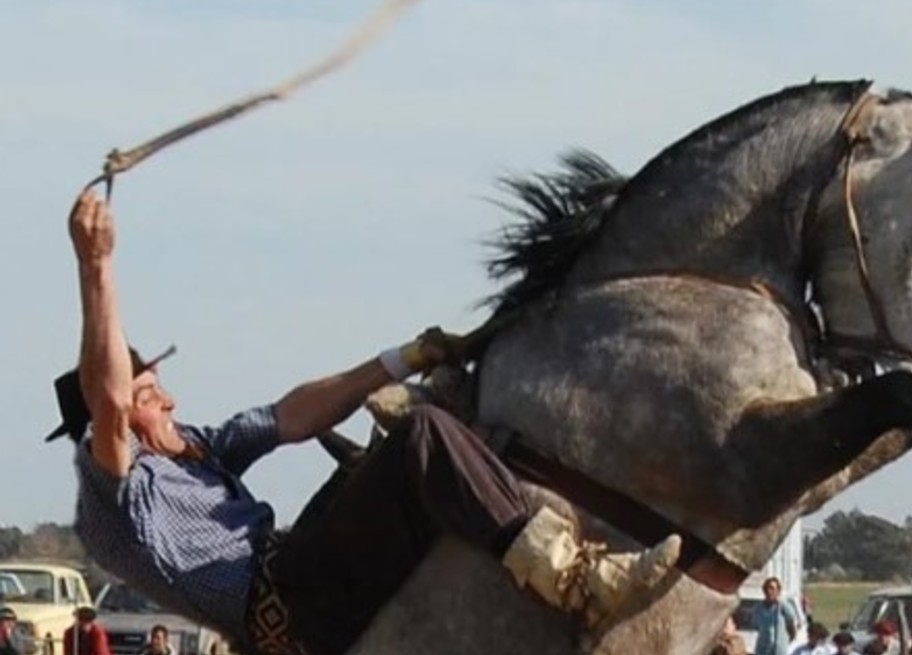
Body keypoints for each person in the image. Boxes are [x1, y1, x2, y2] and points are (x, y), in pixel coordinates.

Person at [54, 189, 682, 655]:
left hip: (299, 574)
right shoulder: (118, 491)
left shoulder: (195, 449)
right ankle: (574, 578)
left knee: (402, 446)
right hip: (287, 602)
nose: (168, 401)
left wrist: (401, 360)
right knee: (420, 439)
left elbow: (290, 416)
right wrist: (97, 271)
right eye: (150, 393)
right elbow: (107, 401)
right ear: (118, 420)